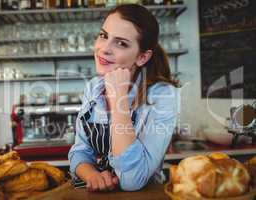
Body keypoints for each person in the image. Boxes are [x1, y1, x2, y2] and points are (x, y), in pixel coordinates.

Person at [68, 4, 179, 192]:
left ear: (142, 57)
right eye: (103, 35)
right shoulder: (94, 87)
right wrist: (93, 176)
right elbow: (79, 151)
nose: (104, 49)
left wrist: (118, 98)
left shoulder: (162, 95)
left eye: (121, 43)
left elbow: (133, 179)